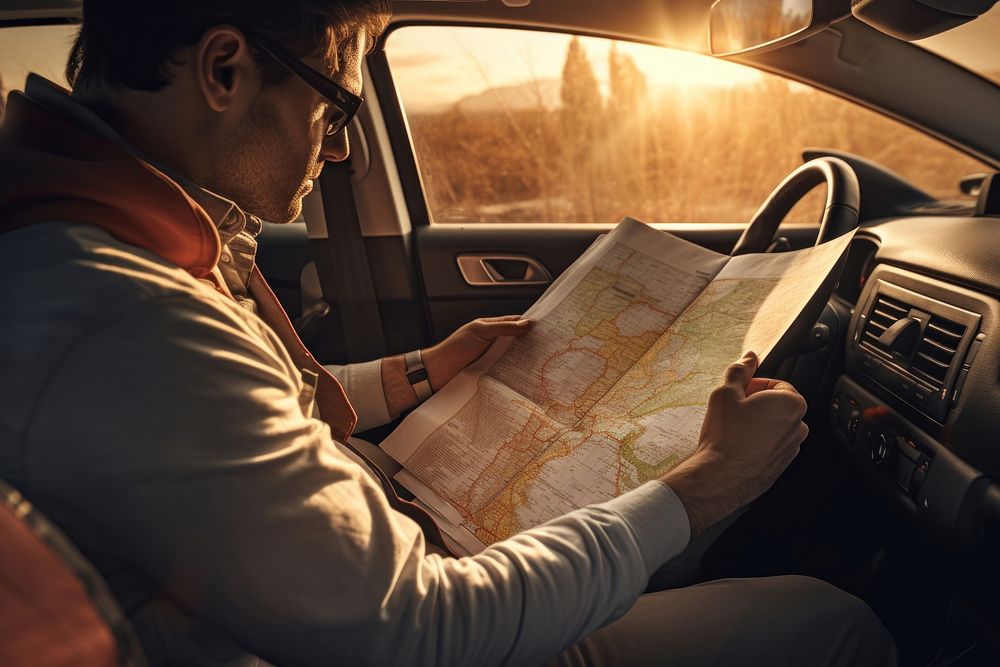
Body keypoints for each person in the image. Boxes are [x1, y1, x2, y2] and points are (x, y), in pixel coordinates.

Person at [0, 1, 896, 665]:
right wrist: (702, 486)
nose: (342, 149)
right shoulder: (128, 316)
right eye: (336, 107)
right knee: (829, 619)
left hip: (361, 568)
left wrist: (420, 370)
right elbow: (423, 631)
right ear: (225, 71)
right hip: (422, 626)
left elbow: (244, 418)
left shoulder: (105, 240)